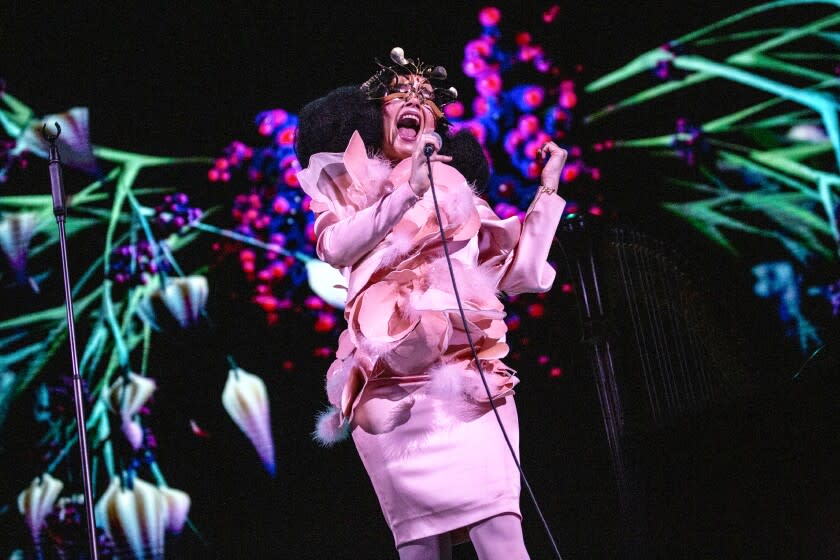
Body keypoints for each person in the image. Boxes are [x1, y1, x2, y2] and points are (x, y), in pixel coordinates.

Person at [295, 48, 567, 560]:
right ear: (376, 114)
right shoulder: (346, 187)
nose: (414, 103)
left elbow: (521, 272)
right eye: (400, 95)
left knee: (503, 537)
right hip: (393, 396)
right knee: (419, 550)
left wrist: (547, 190)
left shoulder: (456, 190)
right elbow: (334, 247)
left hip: (467, 386)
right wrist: (403, 194)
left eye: (425, 99)